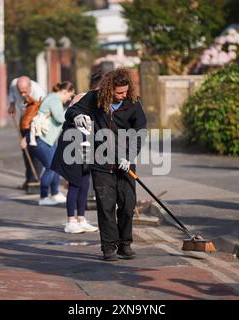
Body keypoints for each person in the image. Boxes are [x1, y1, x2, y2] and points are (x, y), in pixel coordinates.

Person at [65, 68, 147, 261]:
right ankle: (108, 247)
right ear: (109, 90)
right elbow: (71, 111)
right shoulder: (94, 99)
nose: (123, 95)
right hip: (101, 162)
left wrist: (129, 156)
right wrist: (76, 116)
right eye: (119, 92)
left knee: (127, 205)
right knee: (106, 205)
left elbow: (141, 131)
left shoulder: (133, 103)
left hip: (125, 162)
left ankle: (124, 245)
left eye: (125, 91)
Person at [52, 69, 104, 233]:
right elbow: (70, 117)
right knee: (74, 183)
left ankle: (81, 219)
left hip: (87, 146)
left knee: (84, 183)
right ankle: (70, 221)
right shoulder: (81, 98)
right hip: (73, 145)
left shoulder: (100, 102)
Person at [26, 81, 75, 206]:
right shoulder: (54, 99)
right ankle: (43, 196)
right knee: (50, 167)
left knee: (55, 167)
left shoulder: (53, 99)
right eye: (70, 96)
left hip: (48, 140)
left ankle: (54, 194)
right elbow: (60, 118)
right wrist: (72, 107)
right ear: (64, 92)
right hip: (42, 140)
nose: (69, 99)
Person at [8, 76, 45, 190]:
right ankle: (29, 178)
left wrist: (28, 137)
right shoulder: (14, 83)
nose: (23, 94)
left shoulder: (39, 93)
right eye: (21, 92)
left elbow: (41, 116)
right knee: (25, 151)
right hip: (23, 119)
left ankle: (35, 179)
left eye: (25, 91)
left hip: (36, 121)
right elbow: (12, 95)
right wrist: (12, 105)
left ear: (30, 87)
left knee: (35, 149)